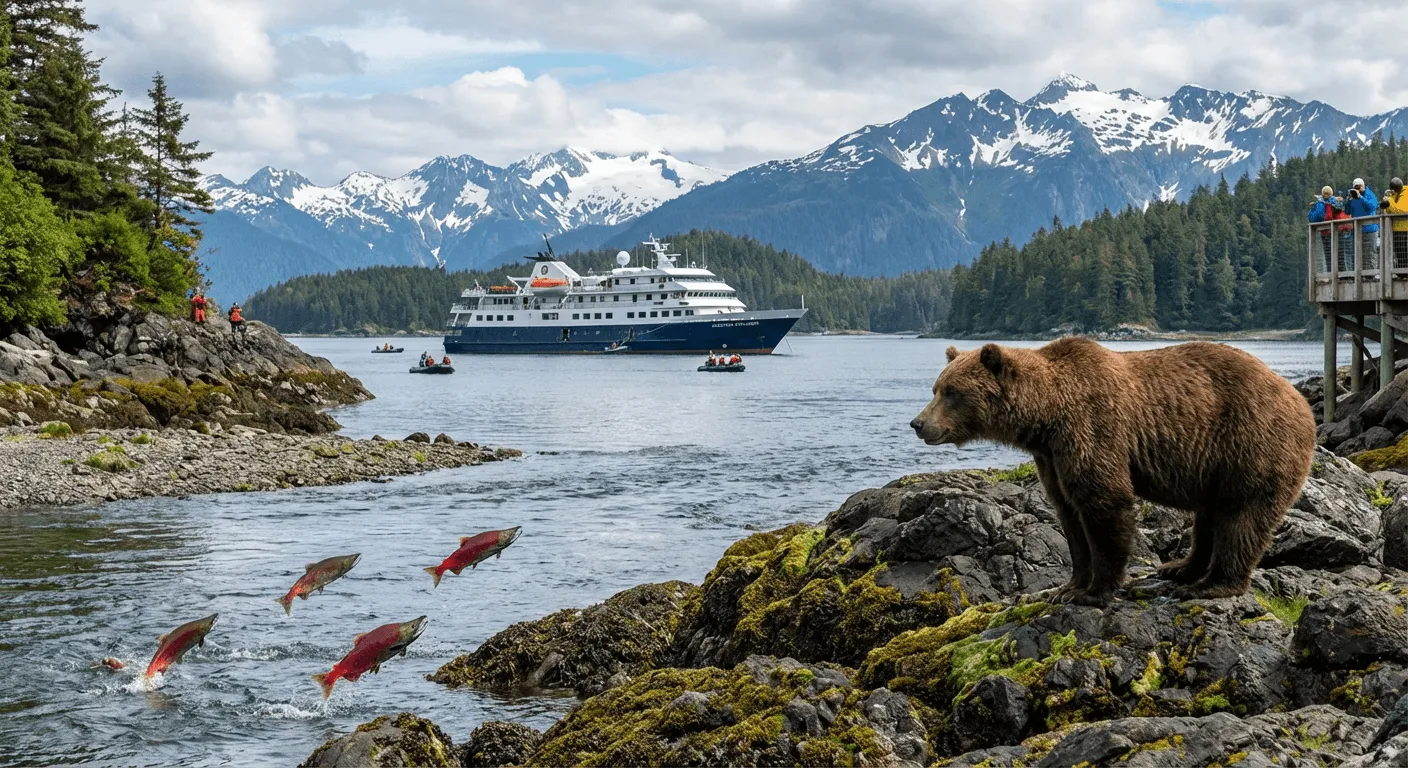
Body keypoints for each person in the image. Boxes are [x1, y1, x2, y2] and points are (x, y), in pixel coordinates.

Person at [1347, 178, 1381, 270]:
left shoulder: (1369, 194)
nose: (1358, 188)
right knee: (1357, 253)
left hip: (1370, 229)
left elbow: (1372, 207)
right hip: (1357, 229)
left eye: (1359, 186)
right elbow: (1347, 211)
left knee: (1370, 253)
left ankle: (1371, 274)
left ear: (1363, 186)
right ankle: (1358, 273)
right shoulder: (1352, 197)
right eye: (1355, 187)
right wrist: (1348, 200)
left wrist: (1361, 198)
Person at [1309, 186, 1337, 272]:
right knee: (1337, 254)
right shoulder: (1336, 201)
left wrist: (1313, 208)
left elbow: (1314, 218)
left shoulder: (1321, 204)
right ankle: (1338, 273)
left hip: (1326, 232)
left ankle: (1331, 272)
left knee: (1328, 255)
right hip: (1337, 232)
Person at [1383, 177, 1408, 270]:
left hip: (1404, 228)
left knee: (1403, 252)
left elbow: (1400, 210)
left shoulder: (1405, 193)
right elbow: (1391, 210)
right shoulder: (1396, 195)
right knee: (1399, 252)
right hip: (1397, 228)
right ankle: (1401, 272)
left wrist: (1389, 201)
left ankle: (1403, 272)